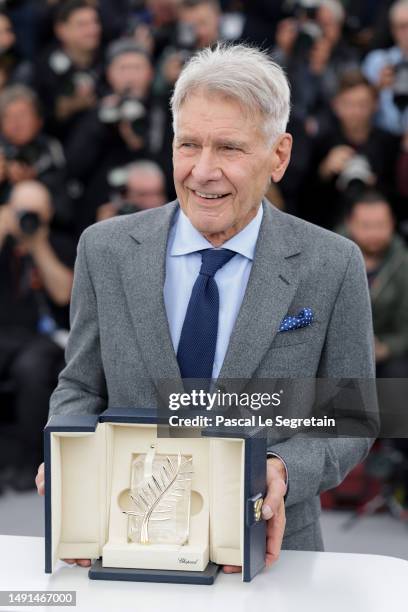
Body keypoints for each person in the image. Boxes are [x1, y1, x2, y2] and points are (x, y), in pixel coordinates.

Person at [36, 44, 375, 571]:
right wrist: (66, 450)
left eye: (230, 149)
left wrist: (284, 468)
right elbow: (81, 385)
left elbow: (352, 413)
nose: (203, 171)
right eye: (188, 144)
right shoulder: (103, 250)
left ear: (279, 156)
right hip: (124, 546)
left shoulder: (333, 263)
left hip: (273, 555)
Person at [0, 180, 75, 491]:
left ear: (49, 213)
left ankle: (29, 461)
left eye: (36, 212)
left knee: (32, 370)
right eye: (22, 212)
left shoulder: (61, 244)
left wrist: (38, 245)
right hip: (4, 335)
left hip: (44, 339)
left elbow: (63, 293)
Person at [345, 191, 408, 377]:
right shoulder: (330, 256)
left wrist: (385, 348)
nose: (373, 233)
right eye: (365, 226)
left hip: (385, 352)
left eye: (380, 225)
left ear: (392, 224)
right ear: (350, 224)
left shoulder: (402, 264)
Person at [362, 0, 408, 135]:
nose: (406, 32)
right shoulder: (377, 61)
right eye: (402, 26)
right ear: (393, 30)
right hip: (382, 135)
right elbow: (357, 103)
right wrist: (377, 88)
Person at [96, 159, 167, 221]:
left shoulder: (174, 220)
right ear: (125, 195)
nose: (152, 202)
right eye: (143, 195)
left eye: (158, 193)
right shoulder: (115, 219)